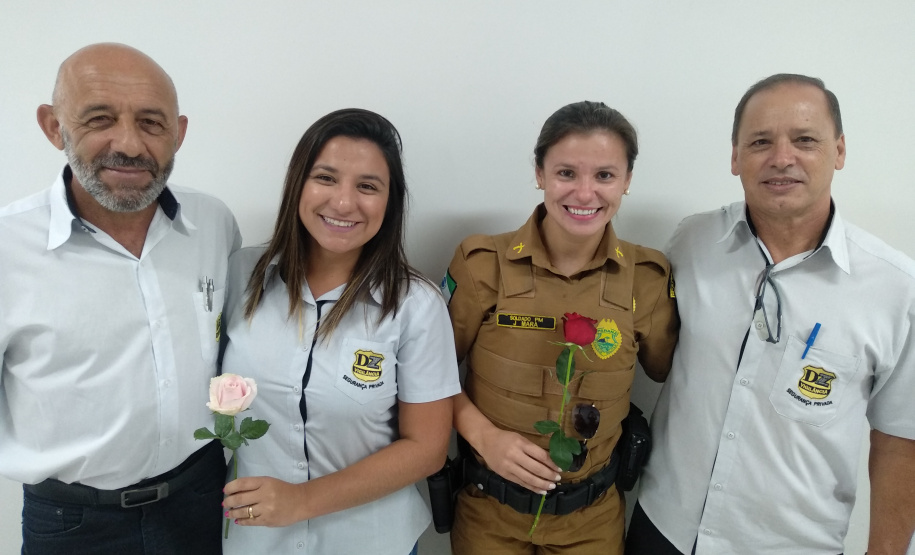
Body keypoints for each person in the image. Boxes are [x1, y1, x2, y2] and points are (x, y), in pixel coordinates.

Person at [628, 74, 915, 554]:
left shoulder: (896, 289)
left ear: (840, 150)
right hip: (663, 528)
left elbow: (901, 440)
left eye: (805, 140)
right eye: (760, 141)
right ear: (735, 156)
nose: (782, 158)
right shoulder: (692, 243)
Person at [0, 43, 241, 554]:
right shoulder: (7, 248)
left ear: (178, 133)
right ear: (53, 126)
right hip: (71, 522)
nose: (129, 144)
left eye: (152, 123)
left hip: (201, 497)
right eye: (99, 118)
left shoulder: (213, 226)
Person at [219, 108, 461, 554]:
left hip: (369, 540)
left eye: (367, 186)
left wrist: (302, 500)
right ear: (298, 184)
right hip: (255, 540)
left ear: (389, 203)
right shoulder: (240, 277)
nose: (344, 202)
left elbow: (427, 448)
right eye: (326, 178)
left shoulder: (416, 305)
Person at [442, 101, 679, 554]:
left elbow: (673, 375)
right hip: (489, 515)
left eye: (605, 175)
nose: (585, 193)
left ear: (627, 180)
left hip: (592, 521)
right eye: (567, 173)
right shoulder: (481, 265)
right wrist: (482, 435)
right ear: (540, 173)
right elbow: (425, 377)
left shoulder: (647, 279)